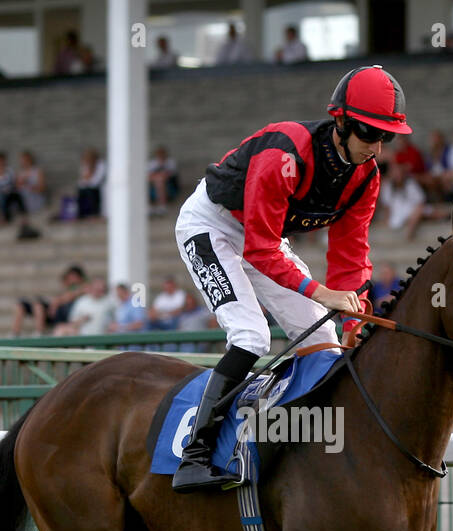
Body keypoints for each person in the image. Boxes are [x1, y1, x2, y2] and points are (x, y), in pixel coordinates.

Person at [170, 64, 407, 491]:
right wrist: (321, 292)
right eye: (369, 134)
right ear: (341, 121)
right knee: (251, 337)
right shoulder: (285, 153)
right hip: (212, 225)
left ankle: (294, 444)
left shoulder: (366, 178)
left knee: (326, 343)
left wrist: (353, 321)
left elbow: (351, 257)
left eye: (385, 136)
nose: (377, 147)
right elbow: (259, 248)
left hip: (262, 233)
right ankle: (195, 455)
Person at [11, 264, 86, 336]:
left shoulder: (83, 288)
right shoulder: (67, 289)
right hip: (53, 311)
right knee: (22, 305)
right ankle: (15, 333)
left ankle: (39, 333)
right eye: (69, 277)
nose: (70, 279)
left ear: (79, 277)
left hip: (61, 315)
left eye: (72, 277)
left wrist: (54, 304)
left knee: (38, 305)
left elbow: (69, 296)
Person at [380, 161, 436, 241]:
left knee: (424, 210)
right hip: (398, 213)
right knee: (423, 211)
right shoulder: (387, 187)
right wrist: (386, 220)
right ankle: (410, 234)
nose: (397, 176)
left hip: (412, 210)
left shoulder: (410, 183)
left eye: (399, 174)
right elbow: (387, 206)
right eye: (395, 174)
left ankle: (409, 234)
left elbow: (420, 200)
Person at [148, 146, 179, 215]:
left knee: (160, 181)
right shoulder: (153, 163)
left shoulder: (170, 162)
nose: (161, 155)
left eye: (162, 154)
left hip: (169, 186)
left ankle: (162, 205)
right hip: (153, 185)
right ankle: (149, 205)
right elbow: (149, 175)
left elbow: (171, 175)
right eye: (159, 154)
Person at [76, 149, 106, 219]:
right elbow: (82, 181)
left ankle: (94, 212)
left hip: (97, 188)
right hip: (88, 187)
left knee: (90, 192)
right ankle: (83, 213)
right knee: (81, 191)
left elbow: (96, 180)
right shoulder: (86, 165)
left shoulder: (101, 164)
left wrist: (89, 176)